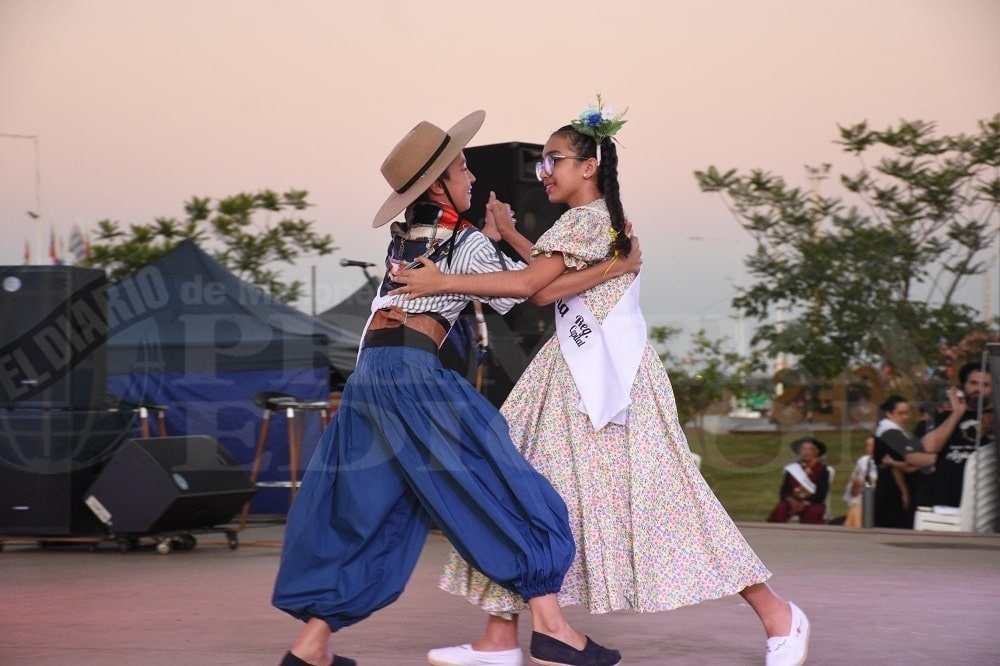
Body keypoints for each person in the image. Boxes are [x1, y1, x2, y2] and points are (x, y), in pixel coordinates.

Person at [391, 97, 810, 666]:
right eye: (541, 162)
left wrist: (446, 279)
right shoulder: (592, 222)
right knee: (527, 497)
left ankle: (778, 614)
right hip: (571, 377)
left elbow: (534, 289)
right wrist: (524, 240)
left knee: (661, 501)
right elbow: (551, 282)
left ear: (589, 166)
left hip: (608, 380)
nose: (544, 171)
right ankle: (497, 636)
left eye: (554, 160)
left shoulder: (588, 219)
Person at [271, 110, 641, 666]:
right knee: (501, 484)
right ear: (438, 185)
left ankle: (312, 645)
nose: (472, 177)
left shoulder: (405, 239)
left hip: (369, 378)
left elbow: (489, 278)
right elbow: (529, 290)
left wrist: (495, 238)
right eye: (462, 169)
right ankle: (552, 628)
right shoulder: (463, 242)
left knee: (365, 508)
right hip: (413, 377)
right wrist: (616, 267)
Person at [919, 360, 994, 507]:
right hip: (946, 503)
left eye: (985, 385)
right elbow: (928, 447)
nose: (977, 389)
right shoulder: (947, 415)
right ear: (965, 386)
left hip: (985, 504)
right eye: (973, 383)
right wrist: (956, 414)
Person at [872, 395, 934, 529]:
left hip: (889, 490)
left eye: (907, 413)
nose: (905, 417)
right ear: (889, 413)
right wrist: (905, 492)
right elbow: (909, 465)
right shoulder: (891, 434)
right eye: (900, 413)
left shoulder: (888, 431)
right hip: (893, 493)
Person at [766, 437, 831, 525]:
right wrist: (791, 500)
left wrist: (804, 503)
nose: (806, 452)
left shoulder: (822, 470)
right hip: (792, 501)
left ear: (816, 452)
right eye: (803, 449)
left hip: (813, 502)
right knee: (780, 510)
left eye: (810, 449)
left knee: (813, 514)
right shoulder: (793, 469)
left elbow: (821, 494)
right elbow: (784, 491)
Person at [842, 435, 877, 527]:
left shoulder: (883, 462)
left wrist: (869, 482)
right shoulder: (863, 461)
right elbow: (852, 492)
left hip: (877, 500)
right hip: (861, 499)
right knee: (856, 508)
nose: (870, 449)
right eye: (868, 446)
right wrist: (856, 485)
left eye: (873, 446)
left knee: (857, 510)